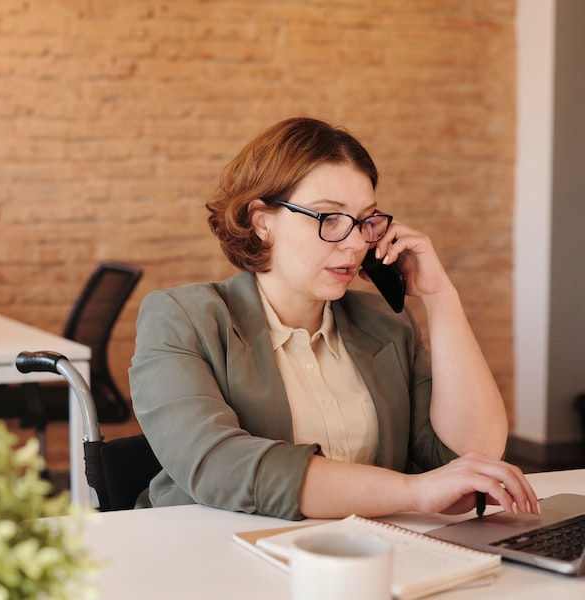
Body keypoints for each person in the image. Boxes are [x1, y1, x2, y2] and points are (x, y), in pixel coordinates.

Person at [129, 116, 539, 521]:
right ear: (262, 221)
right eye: (330, 218)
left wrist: (439, 296)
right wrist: (413, 491)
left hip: (359, 557)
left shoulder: (385, 323)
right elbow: (217, 464)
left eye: (365, 220)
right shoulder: (181, 318)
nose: (357, 241)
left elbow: (474, 456)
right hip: (211, 555)